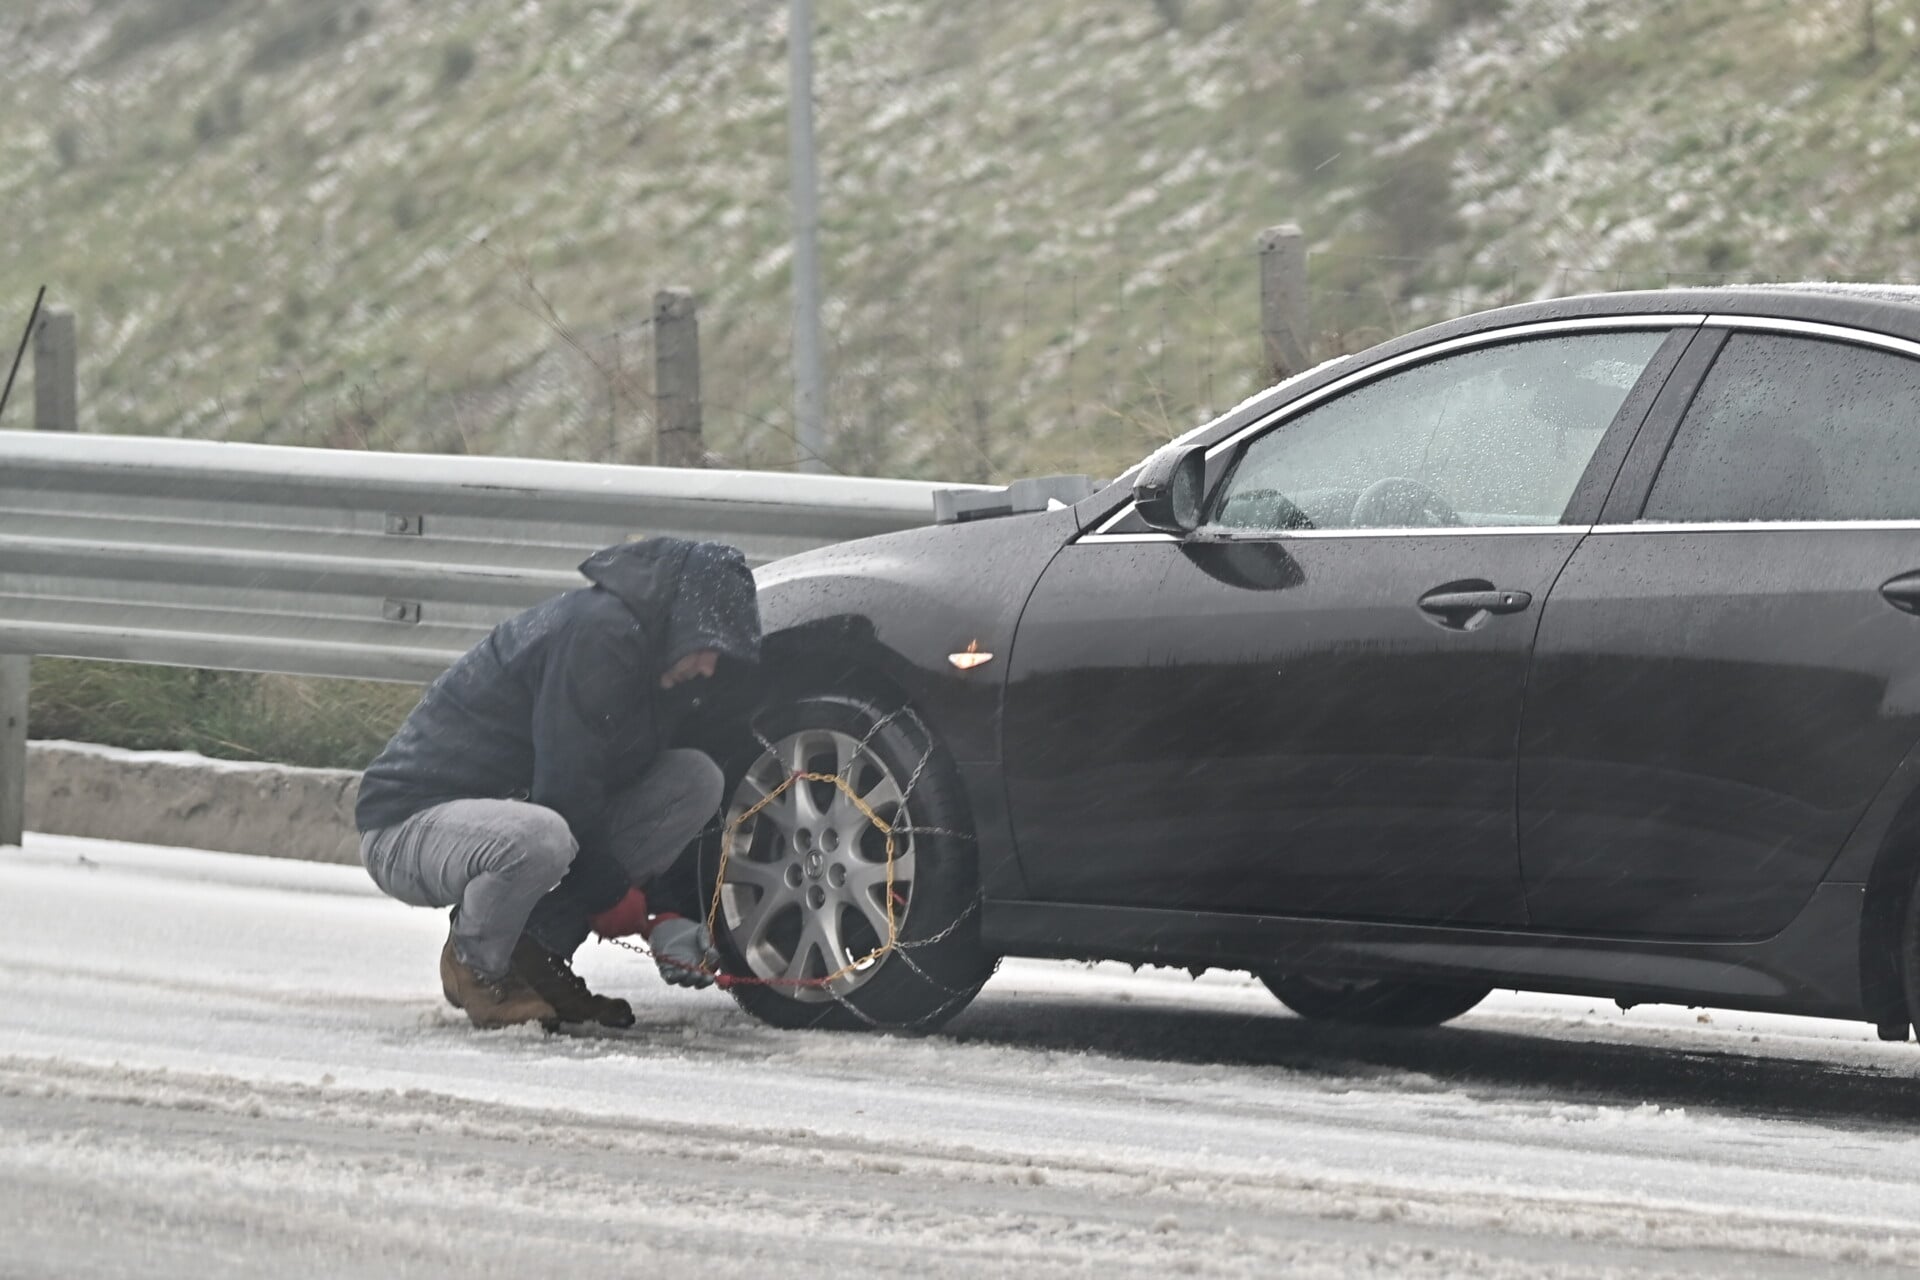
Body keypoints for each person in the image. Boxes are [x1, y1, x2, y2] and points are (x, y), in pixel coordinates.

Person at [354, 537, 761, 1030]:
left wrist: (667, 913)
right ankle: (475, 965)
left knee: (694, 779)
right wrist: (623, 905)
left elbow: (613, 798)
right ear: (682, 622)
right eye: (708, 646)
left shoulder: (658, 667)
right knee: (542, 837)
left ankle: (534, 955)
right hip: (409, 824)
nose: (709, 666)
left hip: (509, 815)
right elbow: (568, 789)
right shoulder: (599, 635)